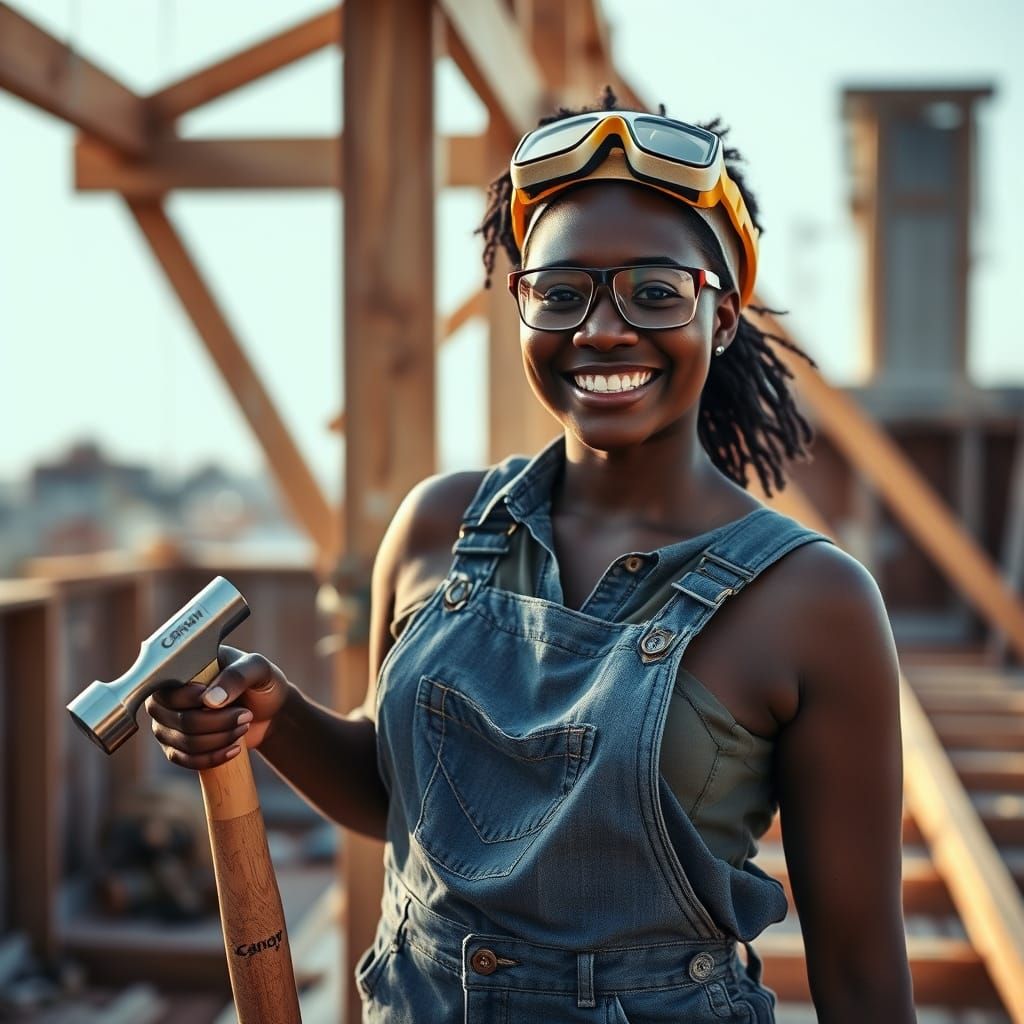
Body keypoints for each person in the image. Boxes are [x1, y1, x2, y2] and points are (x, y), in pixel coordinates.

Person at [146, 91, 917, 1023]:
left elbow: (864, 975)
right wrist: (274, 716)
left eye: (655, 291)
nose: (600, 329)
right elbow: (400, 801)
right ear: (519, 309)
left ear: (722, 317)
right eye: (559, 293)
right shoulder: (439, 527)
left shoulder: (813, 602)